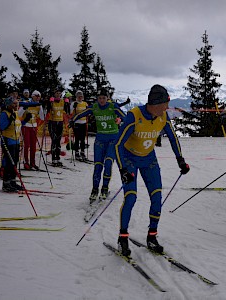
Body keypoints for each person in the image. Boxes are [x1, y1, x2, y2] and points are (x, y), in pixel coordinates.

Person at [115, 84, 190, 256]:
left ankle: (152, 236)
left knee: (156, 197)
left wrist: (180, 160)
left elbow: (173, 138)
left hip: (149, 159)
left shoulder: (163, 116)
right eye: (165, 103)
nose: (167, 107)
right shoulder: (134, 115)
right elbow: (118, 144)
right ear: (156, 104)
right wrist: (123, 170)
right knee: (131, 197)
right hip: (129, 159)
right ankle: (123, 237)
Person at [70, 89, 126, 202]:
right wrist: (73, 120)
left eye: (103, 98)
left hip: (112, 139)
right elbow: (81, 114)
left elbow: (125, 117)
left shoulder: (113, 106)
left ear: (107, 98)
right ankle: (95, 190)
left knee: (109, 163)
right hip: (100, 139)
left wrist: (128, 123)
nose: (101, 100)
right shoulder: (94, 107)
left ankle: (104, 188)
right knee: (98, 166)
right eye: (99, 98)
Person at [0, 96, 41, 192]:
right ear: (8, 104)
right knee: (9, 163)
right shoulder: (4, 114)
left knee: (15, 161)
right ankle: (6, 184)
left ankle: (12, 181)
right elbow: (2, 127)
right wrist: (10, 120)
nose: (16, 105)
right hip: (8, 141)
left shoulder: (15, 113)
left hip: (16, 141)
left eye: (17, 103)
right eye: (14, 103)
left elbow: (19, 124)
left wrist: (25, 120)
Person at [18, 90, 45, 170]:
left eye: (39, 96)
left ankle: (32, 162)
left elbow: (42, 117)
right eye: (36, 96)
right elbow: (19, 114)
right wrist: (25, 109)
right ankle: (26, 162)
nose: (38, 98)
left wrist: (42, 108)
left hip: (34, 126)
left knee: (33, 145)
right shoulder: (26, 102)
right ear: (32, 96)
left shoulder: (38, 104)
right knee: (27, 145)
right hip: (26, 126)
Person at [46, 88, 70, 166]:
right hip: (52, 122)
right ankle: (53, 159)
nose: (58, 94)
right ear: (54, 94)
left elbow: (67, 111)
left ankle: (57, 157)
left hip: (60, 122)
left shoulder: (62, 101)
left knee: (58, 141)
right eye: (56, 93)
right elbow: (48, 109)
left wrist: (67, 103)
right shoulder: (52, 101)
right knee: (54, 140)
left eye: (59, 93)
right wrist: (49, 102)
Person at [70, 90, 88, 160]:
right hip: (76, 122)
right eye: (78, 96)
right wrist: (73, 107)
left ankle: (82, 152)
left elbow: (87, 112)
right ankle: (77, 152)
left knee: (83, 139)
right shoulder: (74, 103)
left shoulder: (85, 103)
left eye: (81, 96)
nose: (80, 98)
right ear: (76, 97)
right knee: (77, 138)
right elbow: (70, 111)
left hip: (83, 122)